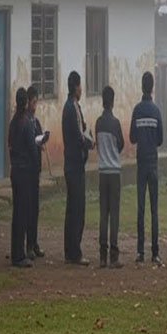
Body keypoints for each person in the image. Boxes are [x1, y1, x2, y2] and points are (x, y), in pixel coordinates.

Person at [129, 70, 163, 265]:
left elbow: (132, 137)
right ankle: (155, 253)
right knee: (154, 210)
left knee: (141, 208)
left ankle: (140, 252)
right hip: (153, 163)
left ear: (142, 87)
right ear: (152, 87)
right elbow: (160, 140)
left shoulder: (137, 110)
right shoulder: (156, 111)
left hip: (141, 163)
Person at [62, 70, 93, 265]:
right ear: (76, 87)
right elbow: (78, 136)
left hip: (74, 164)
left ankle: (71, 250)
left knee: (73, 208)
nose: (81, 89)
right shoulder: (71, 109)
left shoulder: (74, 107)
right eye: (80, 86)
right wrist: (90, 143)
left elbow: (81, 129)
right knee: (76, 209)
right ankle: (74, 251)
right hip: (74, 165)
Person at [95, 84, 125, 268]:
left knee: (103, 214)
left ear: (102, 101)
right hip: (114, 172)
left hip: (102, 172)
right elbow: (121, 144)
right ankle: (114, 255)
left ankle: (102, 256)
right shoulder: (115, 123)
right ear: (112, 102)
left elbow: (98, 144)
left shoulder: (98, 123)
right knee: (114, 214)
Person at [8, 86, 37, 268]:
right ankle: (19, 255)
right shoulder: (26, 123)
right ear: (26, 103)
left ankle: (16, 252)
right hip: (25, 172)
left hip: (15, 171)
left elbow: (10, 145)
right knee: (22, 214)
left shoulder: (13, 122)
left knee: (16, 213)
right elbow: (32, 149)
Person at [26, 85, 47, 259]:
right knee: (29, 209)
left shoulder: (35, 122)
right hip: (28, 170)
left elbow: (39, 138)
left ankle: (34, 242)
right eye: (33, 102)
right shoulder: (25, 122)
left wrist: (42, 141)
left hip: (36, 170)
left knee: (35, 209)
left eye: (36, 102)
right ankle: (29, 245)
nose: (35, 105)